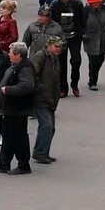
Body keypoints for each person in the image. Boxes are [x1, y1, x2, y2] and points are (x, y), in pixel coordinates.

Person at [0, 42, 35, 174]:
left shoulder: (25, 68)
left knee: (19, 137)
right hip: (11, 109)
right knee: (8, 136)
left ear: (18, 55)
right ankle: (4, 163)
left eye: (11, 53)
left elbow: (26, 87)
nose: (8, 54)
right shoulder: (16, 65)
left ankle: (24, 165)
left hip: (18, 109)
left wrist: (7, 90)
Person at [31, 36, 65, 164]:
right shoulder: (41, 56)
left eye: (60, 46)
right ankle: (39, 153)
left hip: (51, 98)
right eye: (56, 46)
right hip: (41, 98)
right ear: (49, 46)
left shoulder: (54, 58)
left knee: (51, 128)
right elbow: (33, 74)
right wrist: (40, 90)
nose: (59, 49)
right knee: (46, 126)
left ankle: (44, 152)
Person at [51, 0, 86, 97]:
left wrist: (82, 32)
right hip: (61, 39)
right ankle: (63, 88)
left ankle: (74, 84)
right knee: (61, 64)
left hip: (74, 37)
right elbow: (53, 22)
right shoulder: (55, 4)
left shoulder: (77, 3)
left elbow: (82, 19)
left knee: (76, 61)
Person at [82, 0, 105, 91]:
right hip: (90, 39)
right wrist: (82, 34)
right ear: (90, 3)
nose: (96, 4)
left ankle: (92, 75)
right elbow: (81, 24)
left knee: (101, 59)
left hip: (102, 38)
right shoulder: (86, 11)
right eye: (94, 2)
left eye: (97, 2)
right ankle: (93, 81)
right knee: (93, 61)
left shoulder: (104, 8)